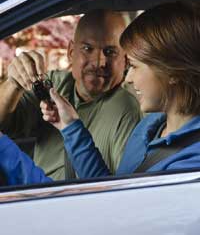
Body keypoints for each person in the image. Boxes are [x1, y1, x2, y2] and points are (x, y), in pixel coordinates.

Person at [1, 1, 200, 186]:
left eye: (135, 66)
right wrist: (70, 126)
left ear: (173, 71)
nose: (128, 78)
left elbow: (116, 209)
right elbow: (106, 187)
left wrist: (5, 152)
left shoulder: (190, 165)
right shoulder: (151, 126)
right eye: (88, 48)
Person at [0, 10, 141, 180]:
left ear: (125, 60)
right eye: (88, 49)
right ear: (71, 52)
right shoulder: (52, 84)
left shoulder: (128, 110)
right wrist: (14, 84)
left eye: (110, 52)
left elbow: (124, 192)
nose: (98, 62)